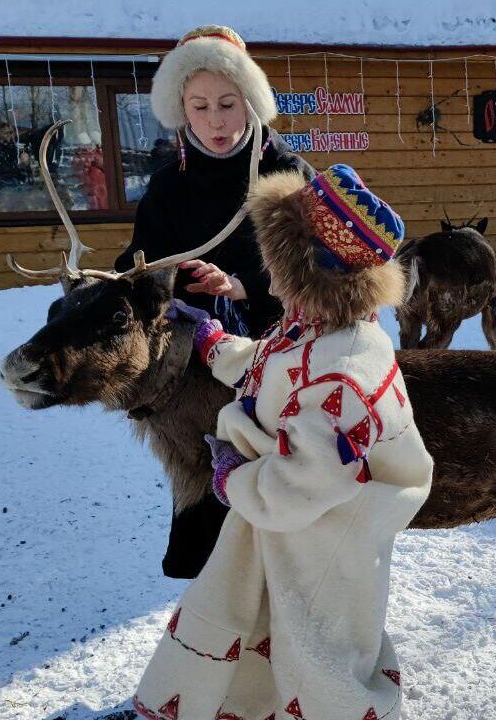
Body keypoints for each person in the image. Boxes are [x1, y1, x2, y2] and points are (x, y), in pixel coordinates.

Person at [132, 164, 432, 720]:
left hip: (320, 548)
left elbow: (297, 486)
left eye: (279, 268)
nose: (268, 283)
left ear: (316, 273)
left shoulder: (345, 375)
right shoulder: (321, 329)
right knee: (268, 637)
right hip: (291, 539)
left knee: (317, 659)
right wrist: (215, 343)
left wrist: (230, 477)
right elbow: (277, 367)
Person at [119, 25, 315, 580]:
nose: (216, 120)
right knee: (203, 455)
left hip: (278, 341)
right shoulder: (169, 186)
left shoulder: (288, 172)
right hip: (194, 358)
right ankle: (212, 563)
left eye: (228, 104)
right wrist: (170, 278)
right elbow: (140, 260)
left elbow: (320, 263)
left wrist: (240, 284)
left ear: (250, 99)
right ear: (181, 109)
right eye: (199, 106)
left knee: (278, 459)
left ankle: (284, 557)